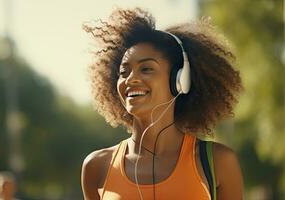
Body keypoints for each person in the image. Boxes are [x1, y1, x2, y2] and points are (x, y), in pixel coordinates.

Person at [81, 7, 244, 200]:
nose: (130, 79)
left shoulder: (218, 162)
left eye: (147, 69)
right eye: (124, 72)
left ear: (180, 80)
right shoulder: (97, 167)